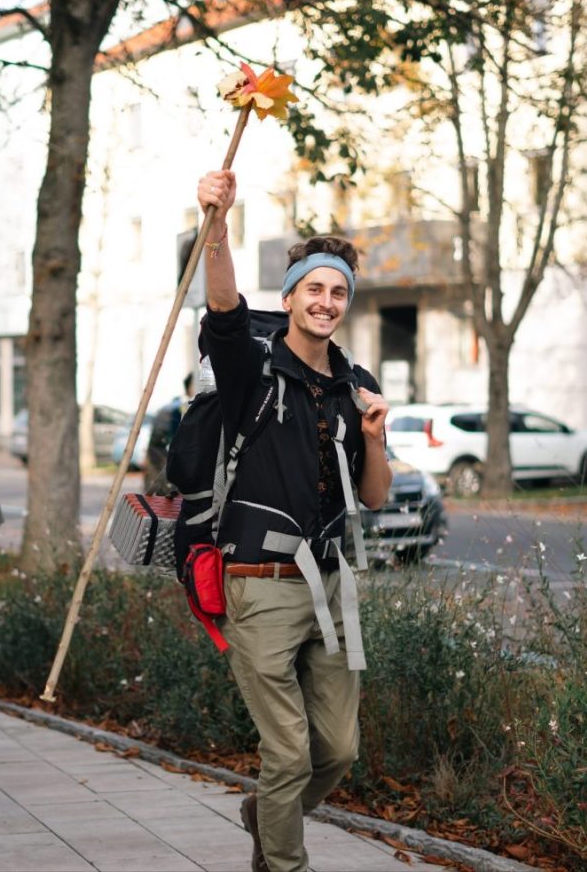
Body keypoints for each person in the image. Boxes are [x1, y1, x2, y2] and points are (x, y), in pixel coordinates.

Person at [196, 169, 392, 872]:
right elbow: (224, 309)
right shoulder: (251, 367)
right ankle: (284, 864)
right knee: (287, 754)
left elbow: (374, 498)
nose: (326, 301)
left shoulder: (355, 384)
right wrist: (217, 226)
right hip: (259, 585)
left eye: (338, 292)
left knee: (336, 751)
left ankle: (265, 816)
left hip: (332, 588)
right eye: (314, 288)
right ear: (289, 298)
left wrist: (373, 437)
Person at [145, 372, 194, 494]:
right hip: (162, 454)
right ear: (189, 387)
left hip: (159, 452)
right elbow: (177, 438)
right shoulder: (181, 407)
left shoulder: (178, 404)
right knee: (165, 492)